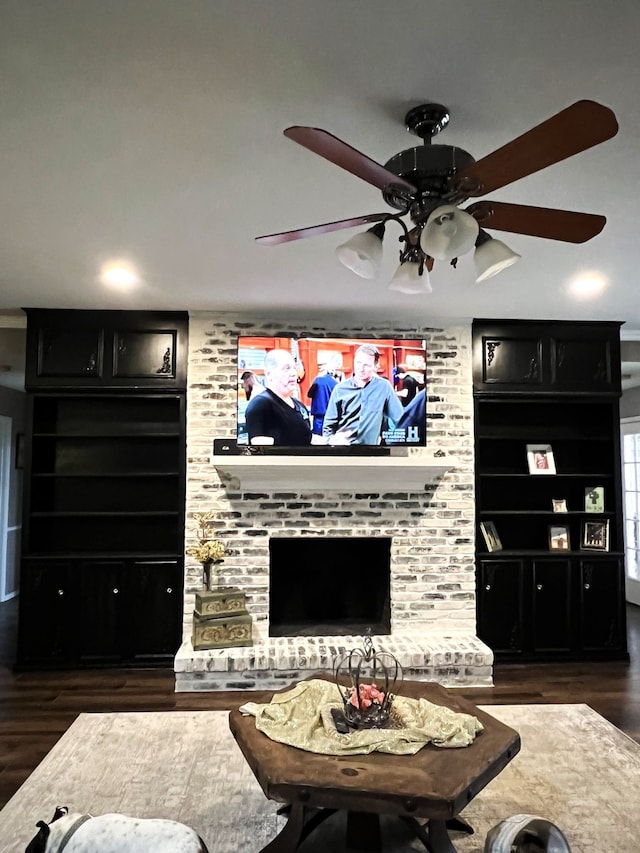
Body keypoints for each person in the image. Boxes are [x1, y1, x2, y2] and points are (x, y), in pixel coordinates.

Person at [322, 344, 403, 445]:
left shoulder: (384, 387)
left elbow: (401, 420)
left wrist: (389, 442)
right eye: (358, 363)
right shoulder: (340, 389)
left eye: (367, 365)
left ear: (375, 366)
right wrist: (331, 443)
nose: (361, 368)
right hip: (343, 451)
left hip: (370, 454)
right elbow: (328, 428)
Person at [245, 349, 312, 446]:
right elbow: (257, 441)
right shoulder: (260, 404)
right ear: (269, 374)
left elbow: (307, 437)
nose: (293, 373)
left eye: (294, 368)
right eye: (287, 368)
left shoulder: (300, 405)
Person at [307, 363, 338, 436]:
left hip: (319, 414)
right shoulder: (335, 383)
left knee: (318, 438)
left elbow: (309, 394)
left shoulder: (318, 380)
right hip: (331, 415)